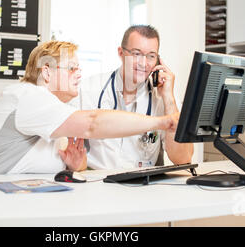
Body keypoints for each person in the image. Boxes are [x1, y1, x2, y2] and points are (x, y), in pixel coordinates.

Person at [0, 40, 180, 175]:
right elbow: (92, 123)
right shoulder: (27, 96)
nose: (79, 73)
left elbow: (76, 163)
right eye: (71, 68)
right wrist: (162, 122)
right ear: (46, 72)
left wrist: (74, 164)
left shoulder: (57, 109)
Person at [73, 25, 194, 170]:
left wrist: (168, 98)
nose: (143, 63)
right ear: (121, 53)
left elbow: (183, 159)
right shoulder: (89, 89)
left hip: (141, 186)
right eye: (137, 54)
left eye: (151, 56)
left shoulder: (163, 98)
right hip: (97, 181)